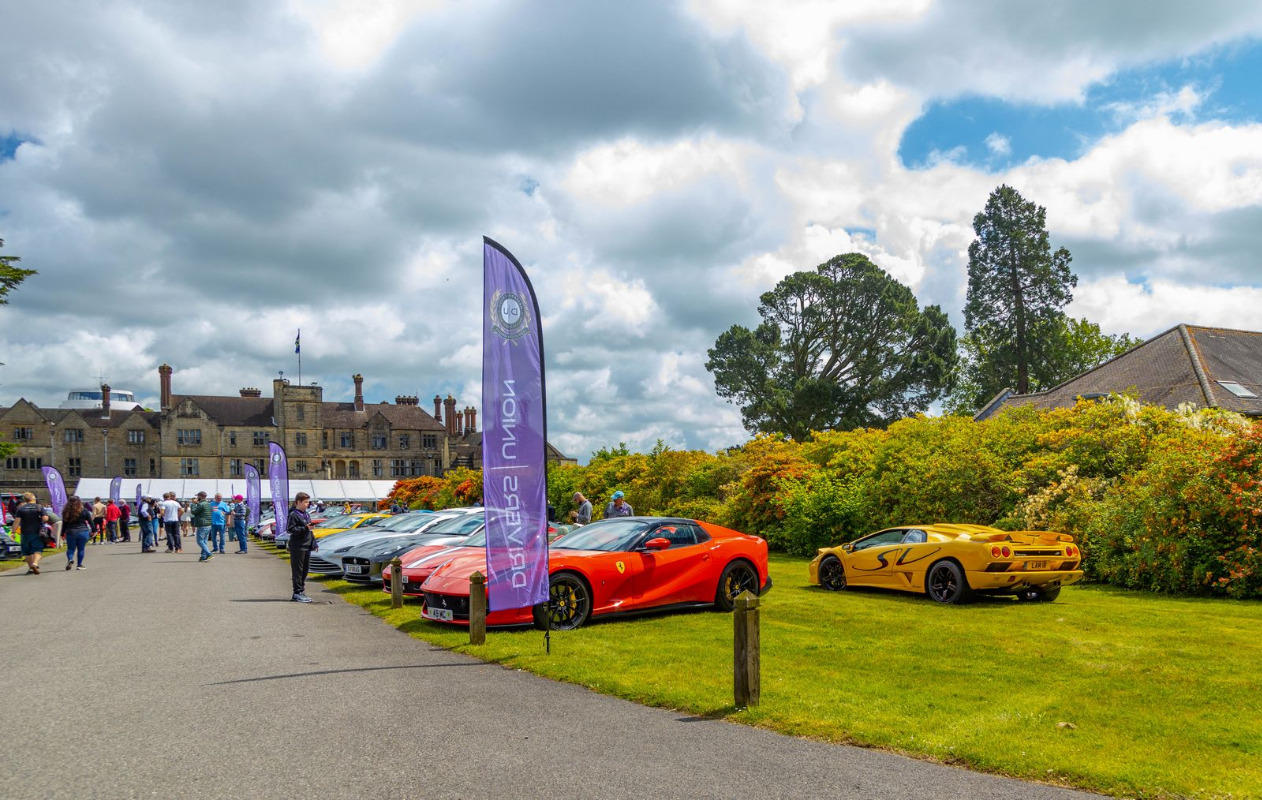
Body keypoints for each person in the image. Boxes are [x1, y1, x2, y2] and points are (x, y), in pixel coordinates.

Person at [287, 492, 317, 603]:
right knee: (298, 570)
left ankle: (301, 591)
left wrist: (314, 543)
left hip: (306, 545)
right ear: (298, 502)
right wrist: (304, 528)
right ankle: (297, 592)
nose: (307, 504)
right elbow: (290, 529)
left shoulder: (306, 514)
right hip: (298, 546)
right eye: (305, 502)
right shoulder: (293, 515)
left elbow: (310, 531)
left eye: (308, 502)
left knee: (305, 570)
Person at [16, 492, 49, 575]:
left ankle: (30, 568)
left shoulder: (21, 508)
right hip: (37, 532)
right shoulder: (39, 507)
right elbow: (45, 519)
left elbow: (17, 521)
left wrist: (13, 532)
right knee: (38, 549)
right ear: (34, 499)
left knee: (26, 551)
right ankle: (35, 563)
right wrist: (45, 517)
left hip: (25, 532)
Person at [61, 495, 93, 570]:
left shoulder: (66, 512)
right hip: (83, 531)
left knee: (70, 549)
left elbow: (64, 524)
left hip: (71, 532)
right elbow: (90, 521)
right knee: (81, 549)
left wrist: (62, 533)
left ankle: (70, 559)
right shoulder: (84, 510)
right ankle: (79, 565)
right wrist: (94, 530)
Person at [189, 492, 214, 562]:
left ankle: (209, 554)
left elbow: (193, 512)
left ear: (200, 496)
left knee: (199, 541)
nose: (197, 498)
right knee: (204, 541)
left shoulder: (201, 504)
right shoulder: (208, 504)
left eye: (198, 496)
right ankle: (204, 556)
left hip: (202, 524)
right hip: (208, 524)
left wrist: (193, 504)